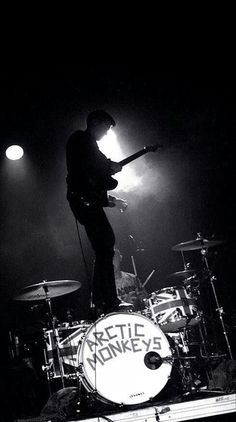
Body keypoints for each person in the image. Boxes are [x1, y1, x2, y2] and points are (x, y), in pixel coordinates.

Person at [66, 110, 132, 317]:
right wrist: (108, 167)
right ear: (95, 122)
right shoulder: (81, 139)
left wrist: (110, 180)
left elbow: (96, 177)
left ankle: (102, 299)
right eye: (105, 127)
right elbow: (90, 170)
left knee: (104, 248)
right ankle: (107, 299)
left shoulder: (88, 145)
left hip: (86, 200)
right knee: (106, 244)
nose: (105, 133)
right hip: (83, 201)